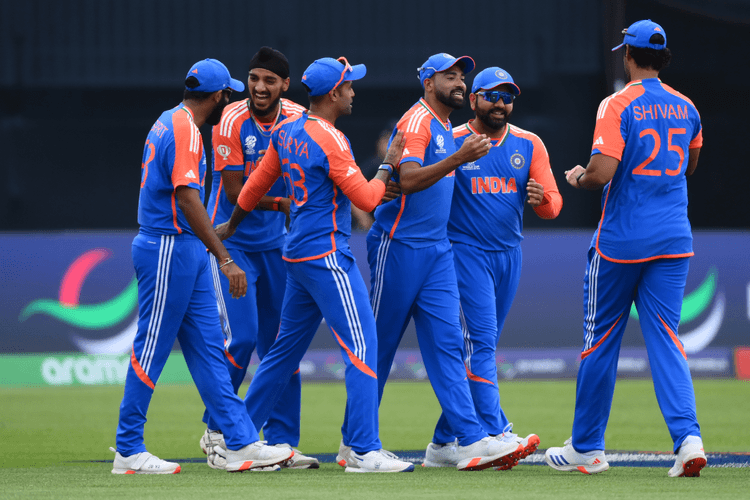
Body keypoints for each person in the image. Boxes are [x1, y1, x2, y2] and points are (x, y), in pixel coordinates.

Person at [216, 56, 414, 473]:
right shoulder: (332, 139)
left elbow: (252, 188)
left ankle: (238, 441)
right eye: (349, 86)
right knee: (362, 347)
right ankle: (362, 449)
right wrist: (387, 165)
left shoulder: (287, 130)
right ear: (333, 93)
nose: (353, 92)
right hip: (327, 258)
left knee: (282, 354)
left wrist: (230, 226)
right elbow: (367, 199)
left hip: (296, 256)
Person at [111, 58, 292, 474]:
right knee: (151, 347)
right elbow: (188, 198)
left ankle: (240, 441)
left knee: (210, 351)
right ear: (218, 96)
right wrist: (225, 258)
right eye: (227, 93)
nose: (229, 100)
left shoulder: (170, 120)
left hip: (184, 248)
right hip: (167, 246)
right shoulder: (186, 130)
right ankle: (128, 448)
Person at [545, 20, 706, 477]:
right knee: (667, 340)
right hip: (673, 239)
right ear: (663, 56)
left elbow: (601, 172)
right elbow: (689, 165)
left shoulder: (616, 103)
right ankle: (688, 439)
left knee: (600, 343)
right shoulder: (687, 106)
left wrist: (578, 177)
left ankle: (587, 448)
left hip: (622, 242)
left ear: (629, 56)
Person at [363, 53, 523, 471]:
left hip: (437, 250)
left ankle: (467, 439)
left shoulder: (443, 126)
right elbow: (409, 178)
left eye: (461, 76)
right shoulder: (418, 121)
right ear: (428, 83)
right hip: (399, 245)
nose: (459, 82)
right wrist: (458, 158)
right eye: (449, 76)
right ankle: (358, 444)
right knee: (379, 347)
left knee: (449, 345)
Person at [198, 47, 318, 470]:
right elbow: (235, 193)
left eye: (269, 80)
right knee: (244, 338)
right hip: (231, 243)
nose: (259, 87)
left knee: (281, 345)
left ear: (285, 85)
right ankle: (217, 430)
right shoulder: (231, 119)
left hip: (277, 247)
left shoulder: (299, 119)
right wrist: (285, 204)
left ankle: (282, 441)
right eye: (253, 79)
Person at [438, 66, 563, 465]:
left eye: (507, 97)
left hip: (509, 255)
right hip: (465, 253)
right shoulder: (452, 141)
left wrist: (542, 200)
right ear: (474, 99)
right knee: (482, 346)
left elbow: (554, 206)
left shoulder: (529, 143)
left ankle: (441, 443)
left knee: (482, 347)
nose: (500, 104)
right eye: (492, 96)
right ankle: (496, 430)